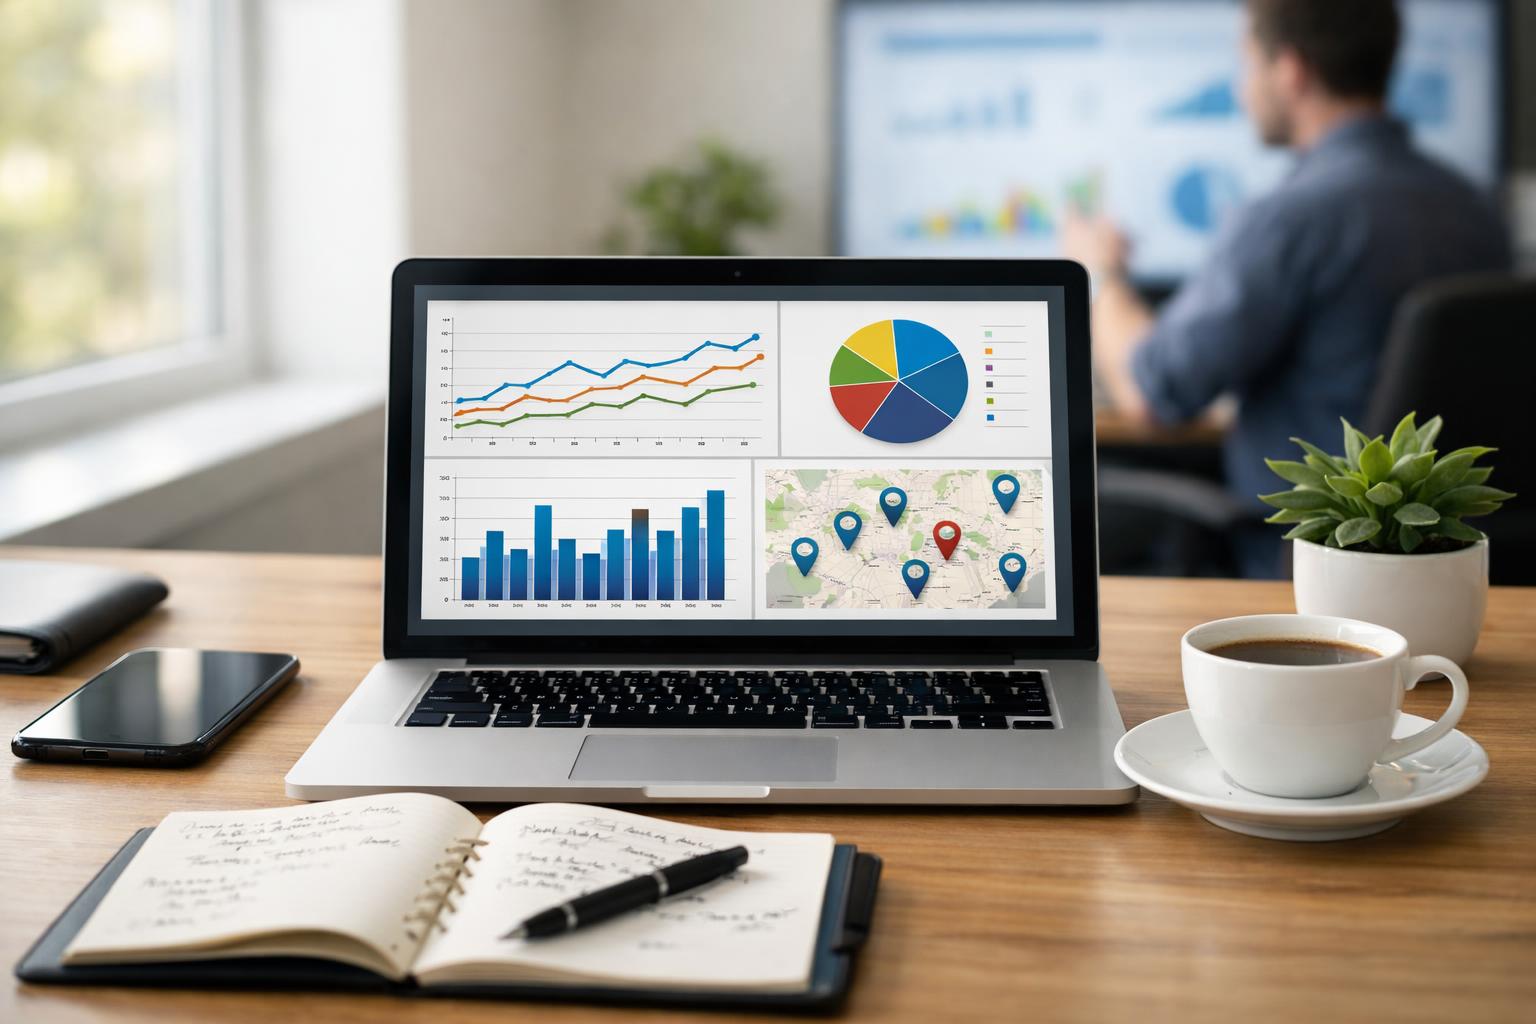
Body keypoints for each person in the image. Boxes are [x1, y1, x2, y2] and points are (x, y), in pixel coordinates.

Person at [1063, 0, 1512, 575]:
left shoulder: (1292, 218)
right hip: (1448, 570)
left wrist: (1100, 272)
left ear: (1292, 70)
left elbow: (1153, 392)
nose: (1244, 87)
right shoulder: (1474, 208)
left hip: (1308, 571)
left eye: (1249, 63)